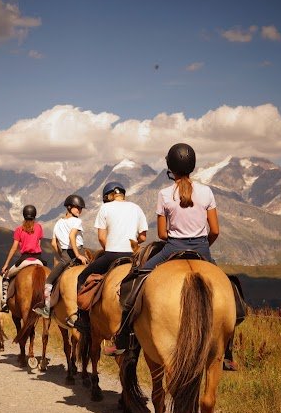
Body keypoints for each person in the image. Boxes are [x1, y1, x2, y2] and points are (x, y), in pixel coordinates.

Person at [104, 142, 219, 356]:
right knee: (230, 288)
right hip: (202, 248)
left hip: (172, 248)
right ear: (192, 165)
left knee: (133, 282)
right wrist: (202, 247)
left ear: (170, 167)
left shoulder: (165, 194)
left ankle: (122, 338)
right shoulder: (207, 192)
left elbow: (163, 234)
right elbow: (215, 230)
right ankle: (227, 351)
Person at [70, 182, 148, 331]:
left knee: (82, 277)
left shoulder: (105, 208)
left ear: (109, 196)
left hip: (112, 255)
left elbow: (101, 237)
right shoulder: (136, 208)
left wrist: (111, 247)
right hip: (132, 256)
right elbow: (143, 237)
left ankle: (83, 318)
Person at [34, 194, 87, 318]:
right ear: (69, 207)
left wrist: (61, 256)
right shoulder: (77, 221)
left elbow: (53, 243)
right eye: (77, 207)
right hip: (79, 252)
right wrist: (78, 255)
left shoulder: (58, 223)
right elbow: (72, 236)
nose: (79, 210)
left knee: (49, 281)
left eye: (81, 208)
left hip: (64, 257)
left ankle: (47, 309)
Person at [0, 205, 45, 312]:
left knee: (6, 277)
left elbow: (14, 247)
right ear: (34, 216)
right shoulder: (38, 227)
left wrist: (6, 264)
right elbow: (39, 244)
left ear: (24, 216)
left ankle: (4, 302)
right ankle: (48, 303)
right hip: (38, 260)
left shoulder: (19, 230)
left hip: (24, 260)